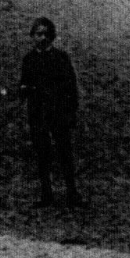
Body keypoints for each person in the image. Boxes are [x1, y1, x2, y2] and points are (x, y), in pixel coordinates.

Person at [18, 17, 82, 208]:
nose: (43, 38)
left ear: (52, 37)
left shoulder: (61, 58)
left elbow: (71, 87)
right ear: (33, 36)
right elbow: (24, 83)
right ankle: (46, 193)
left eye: (47, 34)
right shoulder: (29, 59)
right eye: (39, 34)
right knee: (42, 154)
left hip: (58, 112)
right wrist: (23, 91)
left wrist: (71, 112)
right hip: (38, 113)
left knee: (64, 153)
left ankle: (72, 193)